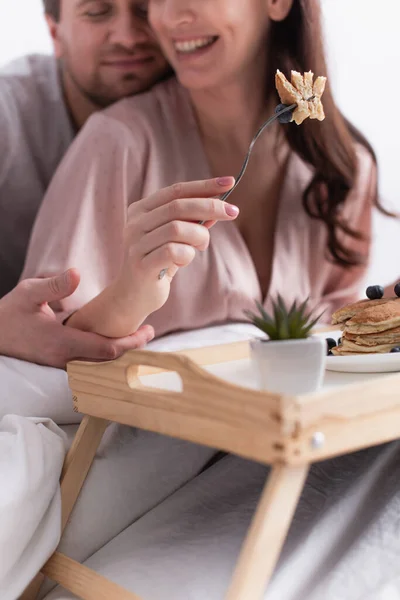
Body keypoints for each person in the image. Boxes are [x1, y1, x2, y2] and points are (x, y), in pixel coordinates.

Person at [23, 0, 381, 344]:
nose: (172, 17)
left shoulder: (342, 170)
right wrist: (132, 293)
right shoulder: (118, 142)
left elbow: (340, 331)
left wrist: (384, 308)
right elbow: (46, 338)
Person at [0, 0, 173, 365]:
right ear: (54, 33)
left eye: (144, 10)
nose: (128, 38)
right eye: (97, 12)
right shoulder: (8, 116)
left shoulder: (198, 112)